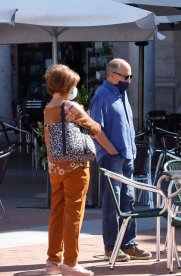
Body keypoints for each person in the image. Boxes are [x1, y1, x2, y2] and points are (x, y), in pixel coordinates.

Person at [90, 58, 152, 262]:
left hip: (126, 155)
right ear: (112, 75)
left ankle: (128, 243)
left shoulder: (121, 93)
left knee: (128, 200)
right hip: (113, 157)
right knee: (113, 202)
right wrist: (111, 151)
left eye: (131, 76)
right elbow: (95, 128)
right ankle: (111, 246)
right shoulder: (102, 95)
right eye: (126, 76)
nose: (129, 80)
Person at [44, 64, 100, 276]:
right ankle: (70, 262)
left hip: (55, 166)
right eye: (74, 84)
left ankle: (53, 260)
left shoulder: (48, 107)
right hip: (76, 166)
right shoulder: (70, 106)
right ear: (68, 85)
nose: (75, 87)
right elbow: (95, 128)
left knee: (57, 211)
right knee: (74, 213)